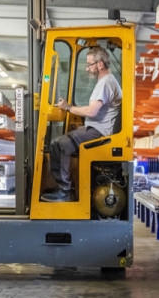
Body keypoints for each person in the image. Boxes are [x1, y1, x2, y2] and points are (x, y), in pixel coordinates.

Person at [41, 46, 122, 202]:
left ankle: (64, 191)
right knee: (68, 137)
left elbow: (92, 112)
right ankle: (63, 187)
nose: (87, 68)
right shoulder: (108, 82)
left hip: (99, 132)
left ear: (100, 64)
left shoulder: (105, 83)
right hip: (98, 128)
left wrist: (68, 107)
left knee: (59, 144)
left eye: (90, 64)